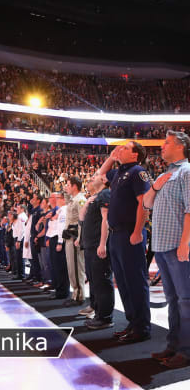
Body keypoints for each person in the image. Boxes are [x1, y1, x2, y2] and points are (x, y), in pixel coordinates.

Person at [143, 131, 190, 368]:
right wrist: (154, 186)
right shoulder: (164, 174)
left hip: (176, 245)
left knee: (185, 300)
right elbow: (146, 203)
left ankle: (186, 350)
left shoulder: (187, 172)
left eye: (167, 143)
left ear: (180, 146)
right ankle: (173, 346)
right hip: (160, 246)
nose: (162, 147)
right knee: (172, 299)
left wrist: (185, 242)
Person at [97, 141, 151, 343]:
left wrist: (138, 231)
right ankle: (132, 322)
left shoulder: (138, 172)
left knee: (135, 281)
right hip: (116, 234)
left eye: (126, 148)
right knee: (123, 281)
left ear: (136, 155)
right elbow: (101, 174)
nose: (121, 149)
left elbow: (143, 203)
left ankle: (142, 327)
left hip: (130, 233)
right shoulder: (119, 172)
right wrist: (112, 156)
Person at [81, 174, 114, 330]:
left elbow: (105, 220)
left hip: (97, 245)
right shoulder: (95, 197)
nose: (92, 178)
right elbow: (81, 217)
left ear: (104, 180)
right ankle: (99, 314)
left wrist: (102, 244)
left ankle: (105, 317)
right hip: (90, 245)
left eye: (96, 176)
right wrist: (87, 203)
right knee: (94, 282)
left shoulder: (105, 193)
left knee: (102, 282)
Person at [63, 176, 86, 306]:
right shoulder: (73, 200)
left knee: (77, 267)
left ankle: (79, 295)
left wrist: (80, 237)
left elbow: (83, 221)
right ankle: (75, 293)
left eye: (68, 184)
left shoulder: (81, 200)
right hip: (69, 236)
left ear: (74, 186)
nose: (66, 187)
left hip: (75, 238)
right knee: (72, 267)